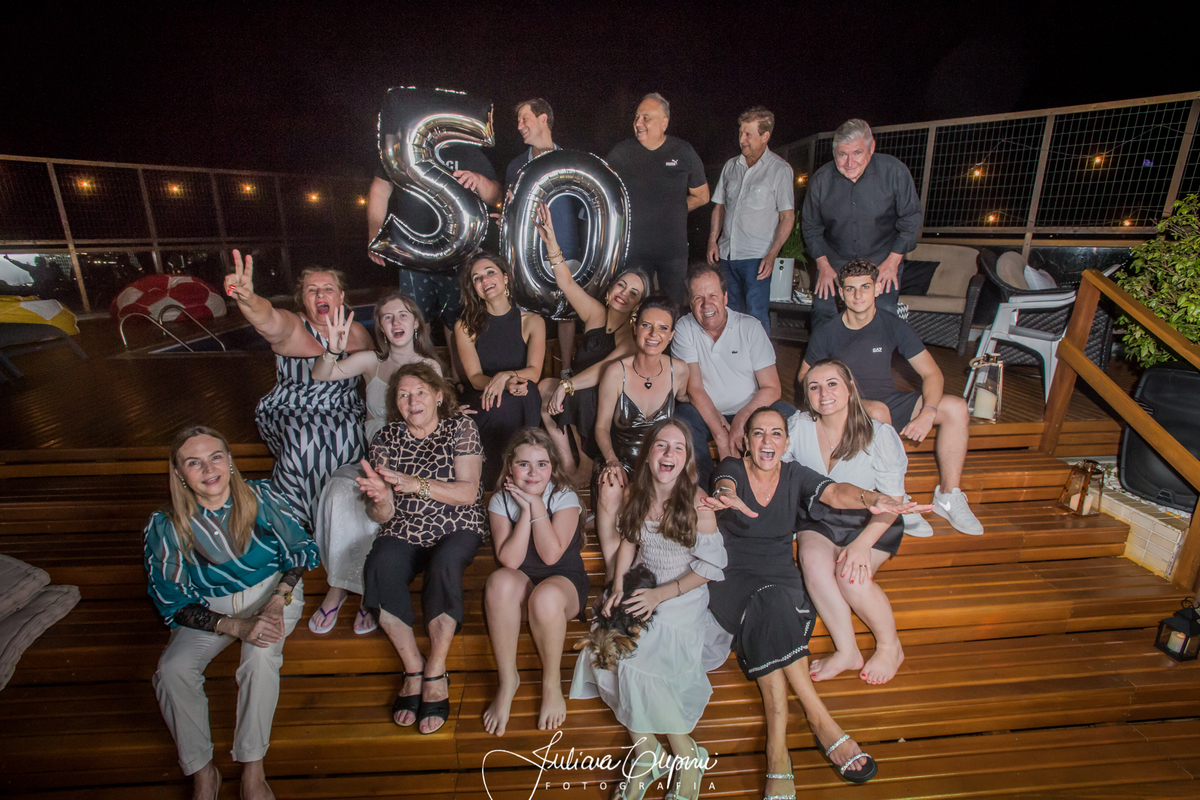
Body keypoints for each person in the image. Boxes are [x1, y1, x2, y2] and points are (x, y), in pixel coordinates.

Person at [705, 406, 926, 791]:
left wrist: (871, 498)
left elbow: (835, 492)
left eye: (776, 433)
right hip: (733, 576)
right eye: (758, 433)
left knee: (773, 604)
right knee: (770, 604)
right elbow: (724, 485)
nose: (767, 440)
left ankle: (778, 750)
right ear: (746, 443)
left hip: (780, 576)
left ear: (786, 442)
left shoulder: (796, 475)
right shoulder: (732, 468)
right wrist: (725, 497)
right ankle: (820, 721)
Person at [145, 426, 319, 800]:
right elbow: (170, 599)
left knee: (260, 654)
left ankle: (253, 770)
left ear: (229, 460)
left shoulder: (262, 496)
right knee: (172, 669)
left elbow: (301, 549)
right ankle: (202, 772)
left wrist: (278, 599)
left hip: (271, 591)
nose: (209, 469)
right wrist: (235, 626)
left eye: (216, 457)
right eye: (194, 462)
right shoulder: (166, 524)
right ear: (179, 473)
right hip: (210, 606)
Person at [571, 418, 726, 800]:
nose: (669, 453)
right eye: (661, 445)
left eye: (678, 447)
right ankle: (648, 752)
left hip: (681, 595)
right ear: (648, 453)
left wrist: (660, 596)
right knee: (603, 650)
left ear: (687, 459)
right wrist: (617, 587)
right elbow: (628, 541)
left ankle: (687, 755)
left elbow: (710, 568)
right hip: (643, 584)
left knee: (640, 662)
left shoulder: (697, 504)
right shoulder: (637, 494)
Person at [796, 259, 982, 536]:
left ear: (877, 289)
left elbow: (932, 373)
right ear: (841, 293)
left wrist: (928, 412)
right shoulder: (828, 332)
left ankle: (948, 495)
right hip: (850, 405)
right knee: (878, 411)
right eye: (850, 289)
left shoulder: (892, 325)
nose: (858, 295)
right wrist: (832, 397)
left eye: (865, 287)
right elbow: (804, 376)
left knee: (956, 407)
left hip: (889, 400)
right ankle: (897, 498)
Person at [357, 362, 484, 735]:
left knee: (445, 564)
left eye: (420, 392)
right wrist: (380, 499)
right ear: (395, 403)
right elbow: (382, 515)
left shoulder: (460, 427)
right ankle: (413, 668)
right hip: (404, 527)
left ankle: (436, 669)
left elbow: (468, 493)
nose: (412, 401)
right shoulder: (386, 438)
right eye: (403, 395)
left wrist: (416, 484)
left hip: (457, 525)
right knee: (380, 564)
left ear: (438, 395)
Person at [306, 293, 443, 635]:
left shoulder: (429, 367)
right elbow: (321, 374)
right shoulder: (371, 361)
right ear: (380, 327)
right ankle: (338, 586)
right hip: (374, 459)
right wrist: (332, 350)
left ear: (415, 323)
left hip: (410, 463)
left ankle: (369, 591)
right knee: (340, 489)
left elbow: (438, 414)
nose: (396, 323)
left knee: (377, 500)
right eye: (387, 317)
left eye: (403, 315)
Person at [225, 250, 370, 528]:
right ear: (303, 299)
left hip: (345, 408)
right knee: (305, 438)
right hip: (294, 407)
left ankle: (343, 522)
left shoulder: (358, 333)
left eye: (328, 289)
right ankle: (296, 523)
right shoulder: (292, 326)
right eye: (312, 290)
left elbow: (377, 376)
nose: (320, 294)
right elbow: (266, 318)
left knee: (351, 434)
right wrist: (248, 299)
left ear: (340, 296)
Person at [790, 360, 910, 685]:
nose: (824, 393)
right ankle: (847, 651)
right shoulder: (797, 427)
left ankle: (890, 646)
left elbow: (892, 502)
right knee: (813, 564)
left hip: (872, 519)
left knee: (850, 578)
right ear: (806, 395)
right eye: (814, 387)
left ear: (850, 388)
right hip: (818, 516)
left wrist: (862, 544)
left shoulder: (879, 434)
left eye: (832, 384)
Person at [367, 123, 501, 383]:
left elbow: (495, 194)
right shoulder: (402, 147)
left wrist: (480, 181)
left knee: (458, 322)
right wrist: (374, 235)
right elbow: (380, 188)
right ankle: (424, 381)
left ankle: (461, 382)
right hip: (413, 251)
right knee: (415, 319)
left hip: (458, 253)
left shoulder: (466, 148)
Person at [482, 428, 588, 736]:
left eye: (542, 464)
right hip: (522, 583)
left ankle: (551, 684)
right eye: (523, 464)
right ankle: (507, 681)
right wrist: (525, 508)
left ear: (552, 467)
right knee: (498, 582)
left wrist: (537, 505)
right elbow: (511, 561)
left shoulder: (563, 497)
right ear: (510, 467)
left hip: (563, 585)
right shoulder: (501, 501)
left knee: (545, 597)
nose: (533, 472)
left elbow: (551, 555)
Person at [534, 203, 648, 485]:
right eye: (621, 286)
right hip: (578, 389)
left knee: (580, 393)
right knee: (544, 388)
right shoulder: (595, 313)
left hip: (610, 397)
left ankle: (587, 466)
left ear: (638, 305)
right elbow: (566, 283)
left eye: (634, 293)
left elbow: (606, 369)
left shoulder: (631, 335)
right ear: (610, 290)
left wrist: (567, 385)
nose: (624, 294)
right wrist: (551, 241)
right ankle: (568, 464)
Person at [672, 262, 795, 491]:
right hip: (706, 412)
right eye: (698, 298)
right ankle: (707, 491)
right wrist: (720, 435)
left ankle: (772, 489)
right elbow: (695, 388)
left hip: (749, 411)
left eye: (713, 295)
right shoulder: (684, 328)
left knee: (787, 413)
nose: (706, 304)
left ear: (725, 297)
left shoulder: (750, 327)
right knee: (682, 418)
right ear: (690, 302)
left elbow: (771, 387)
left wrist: (741, 420)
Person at [593, 296, 691, 575]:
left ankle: (654, 568)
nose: (653, 334)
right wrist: (611, 460)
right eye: (647, 325)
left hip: (660, 463)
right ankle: (613, 573)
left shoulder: (679, 370)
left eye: (662, 328)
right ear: (635, 328)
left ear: (671, 335)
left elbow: (689, 402)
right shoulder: (616, 372)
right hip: (621, 460)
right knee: (611, 487)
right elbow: (600, 427)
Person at [801, 118, 922, 331]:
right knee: (823, 312)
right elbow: (811, 227)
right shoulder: (821, 180)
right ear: (834, 152)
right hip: (834, 261)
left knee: (882, 314)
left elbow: (911, 219)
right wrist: (823, 265)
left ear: (871, 148)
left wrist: (893, 261)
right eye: (842, 154)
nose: (849, 163)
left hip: (882, 259)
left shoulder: (894, 171)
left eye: (857, 153)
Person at [506, 98, 586, 376]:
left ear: (543, 119)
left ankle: (566, 371)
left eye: (524, 118)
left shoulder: (572, 161)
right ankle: (528, 374)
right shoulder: (515, 166)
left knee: (567, 314)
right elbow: (511, 214)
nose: (519, 125)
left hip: (567, 251)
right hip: (528, 255)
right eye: (518, 121)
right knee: (528, 314)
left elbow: (585, 211)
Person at [606, 93, 709, 305]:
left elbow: (702, 196)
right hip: (634, 250)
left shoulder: (683, 151)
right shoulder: (622, 152)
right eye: (636, 117)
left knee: (672, 306)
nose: (638, 123)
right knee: (633, 307)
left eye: (646, 118)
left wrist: (673, 209)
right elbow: (602, 187)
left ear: (664, 123)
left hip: (672, 251)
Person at [455, 252, 546, 489]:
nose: (484, 280)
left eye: (490, 273)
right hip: (484, 398)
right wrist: (501, 383)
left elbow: (534, 371)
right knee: (507, 402)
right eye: (477, 278)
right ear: (473, 288)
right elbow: (475, 378)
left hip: (521, 394)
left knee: (528, 391)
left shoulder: (532, 322)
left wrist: (507, 377)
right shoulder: (465, 327)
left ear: (505, 278)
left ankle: (524, 467)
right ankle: (500, 478)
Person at [706, 106, 795, 330]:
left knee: (756, 316)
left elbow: (787, 217)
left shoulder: (779, 170)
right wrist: (712, 240)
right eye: (740, 133)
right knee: (728, 314)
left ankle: (760, 354)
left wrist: (772, 254)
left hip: (757, 258)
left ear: (765, 136)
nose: (742, 140)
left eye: (748, 134)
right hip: (727, 255)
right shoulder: (730, 166)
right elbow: (719, 207)